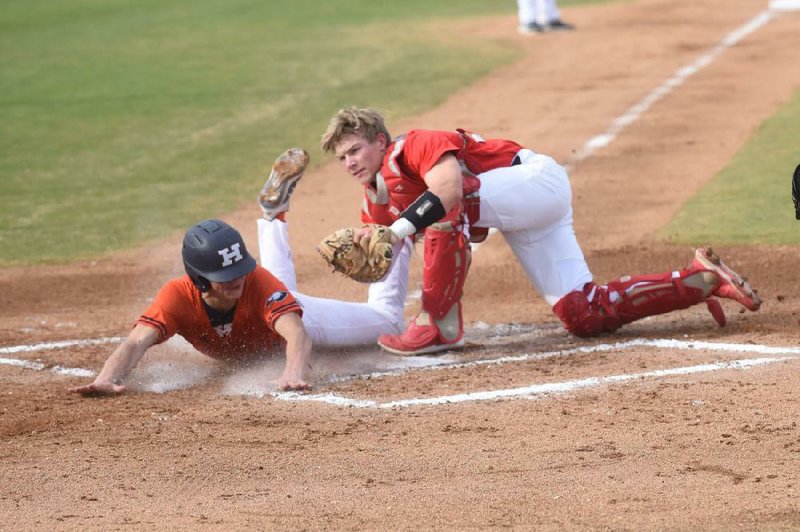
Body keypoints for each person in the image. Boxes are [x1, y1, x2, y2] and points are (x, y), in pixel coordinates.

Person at [320, 107, 762, 355]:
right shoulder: (377, 197)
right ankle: (699, 281)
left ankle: (438, 323)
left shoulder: (413, 144)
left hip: (534, 183)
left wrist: (397, 231)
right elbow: (385, 259)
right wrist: (371, 253)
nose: (351, 163)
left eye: (356, 150)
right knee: (584, 315)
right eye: (342, 158)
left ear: (380, 140)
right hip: (523, 216)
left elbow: (449, 190)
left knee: (451, 203)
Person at [69, 218, 314, 395]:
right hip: (274, 298)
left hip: (310, 320)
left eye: (240, 270)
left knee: (348, 325)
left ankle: (274, 216)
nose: (237, 279)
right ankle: (273, 216)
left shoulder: (255, 280)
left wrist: (292, 373)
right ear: (200, 279)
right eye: (225, 275)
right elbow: (135, 342)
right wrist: (105, 379)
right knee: (279, 285)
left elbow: (297, 333)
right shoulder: (178, 296)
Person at [255, 148, 413, 347]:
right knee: (389, 320)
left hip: (257, 308)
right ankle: (398, 222)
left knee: (276, 297)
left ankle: (273, 218)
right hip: (271, 316)